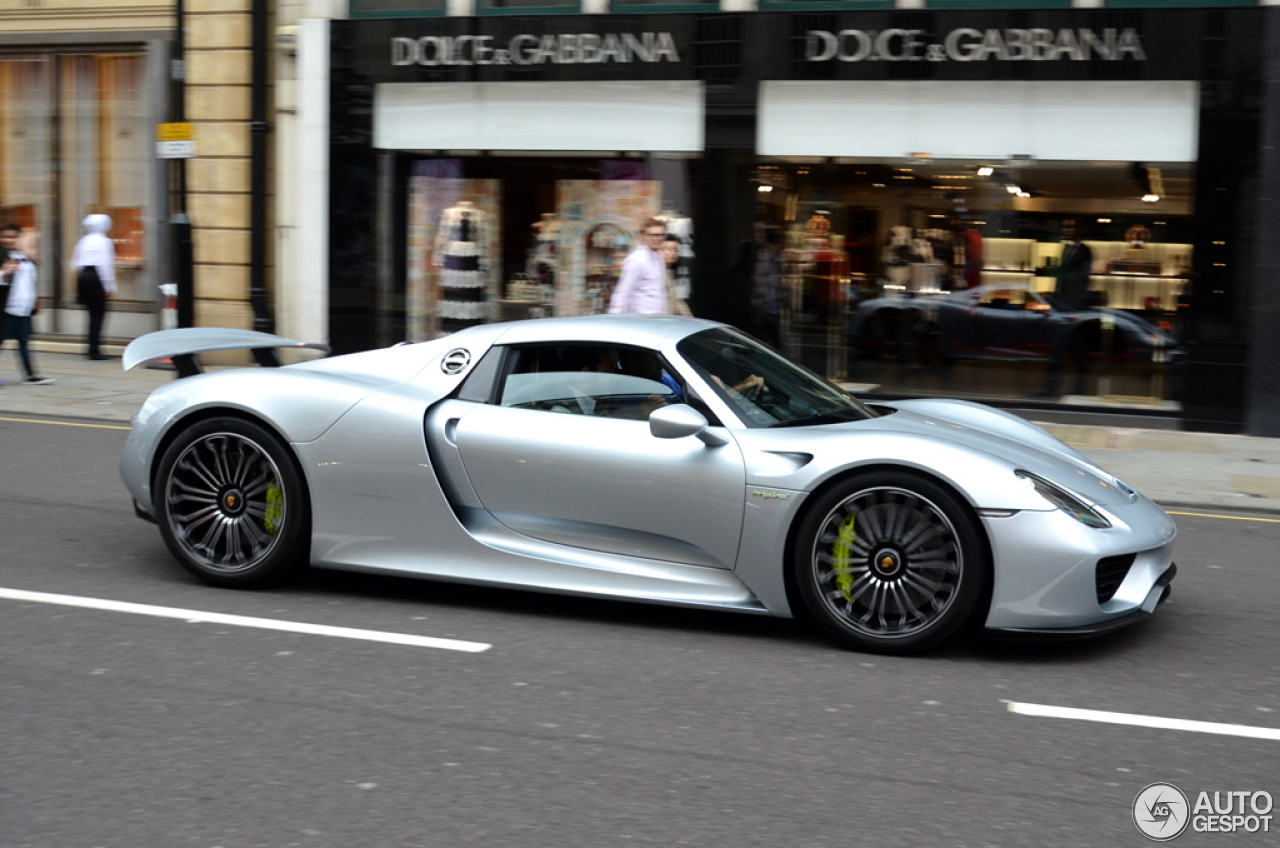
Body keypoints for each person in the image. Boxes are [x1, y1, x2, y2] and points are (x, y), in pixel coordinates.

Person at [1032, 219, 1093, 399]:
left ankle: (1072, 390)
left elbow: (1082, 282)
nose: (1068, 231)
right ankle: (1051, 389)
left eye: (1072, 228)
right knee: (1064, 351)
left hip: (1072, 310)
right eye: (1066, 227)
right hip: (1062, 307)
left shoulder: (1085, 251)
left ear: (1081, 231)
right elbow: (1062, 277)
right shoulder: (1066, 249)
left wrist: (1073, 309)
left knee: (1074, 353)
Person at [0, 223, 54, 386]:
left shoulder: (28, 262)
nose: (9, 240)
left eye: (14, 237)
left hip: (23, 310)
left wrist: (34, 300)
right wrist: (5, 273)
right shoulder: (3, 258)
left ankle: (31, 375)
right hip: (6, 310)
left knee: (24, 342)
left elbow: (30, 284)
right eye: (5, 236)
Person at [72, 213, 116, 360]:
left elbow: (76, 263)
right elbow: (105, 266)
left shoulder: (83, 240)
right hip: (96, 277)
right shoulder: (104, 241)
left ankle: (91, 348)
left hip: (83, 276)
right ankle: (95, 350)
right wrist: (109, 286)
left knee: (91, 314)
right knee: (99, 315)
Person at [607, 218, 668, 315]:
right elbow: (623, 293)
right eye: (654, 235)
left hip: (659, 320)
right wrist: (613, 321)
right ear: (643, 236)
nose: (659, 238)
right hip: (642, 320)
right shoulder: (637, 260)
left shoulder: (660, 257)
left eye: (662, 235)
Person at [661, 235, 692, 317]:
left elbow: (678, 300)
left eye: (676, 250)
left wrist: (689, 317)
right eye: (668, 250)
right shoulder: (655, 273)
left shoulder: (671, 273)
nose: (673, 253)